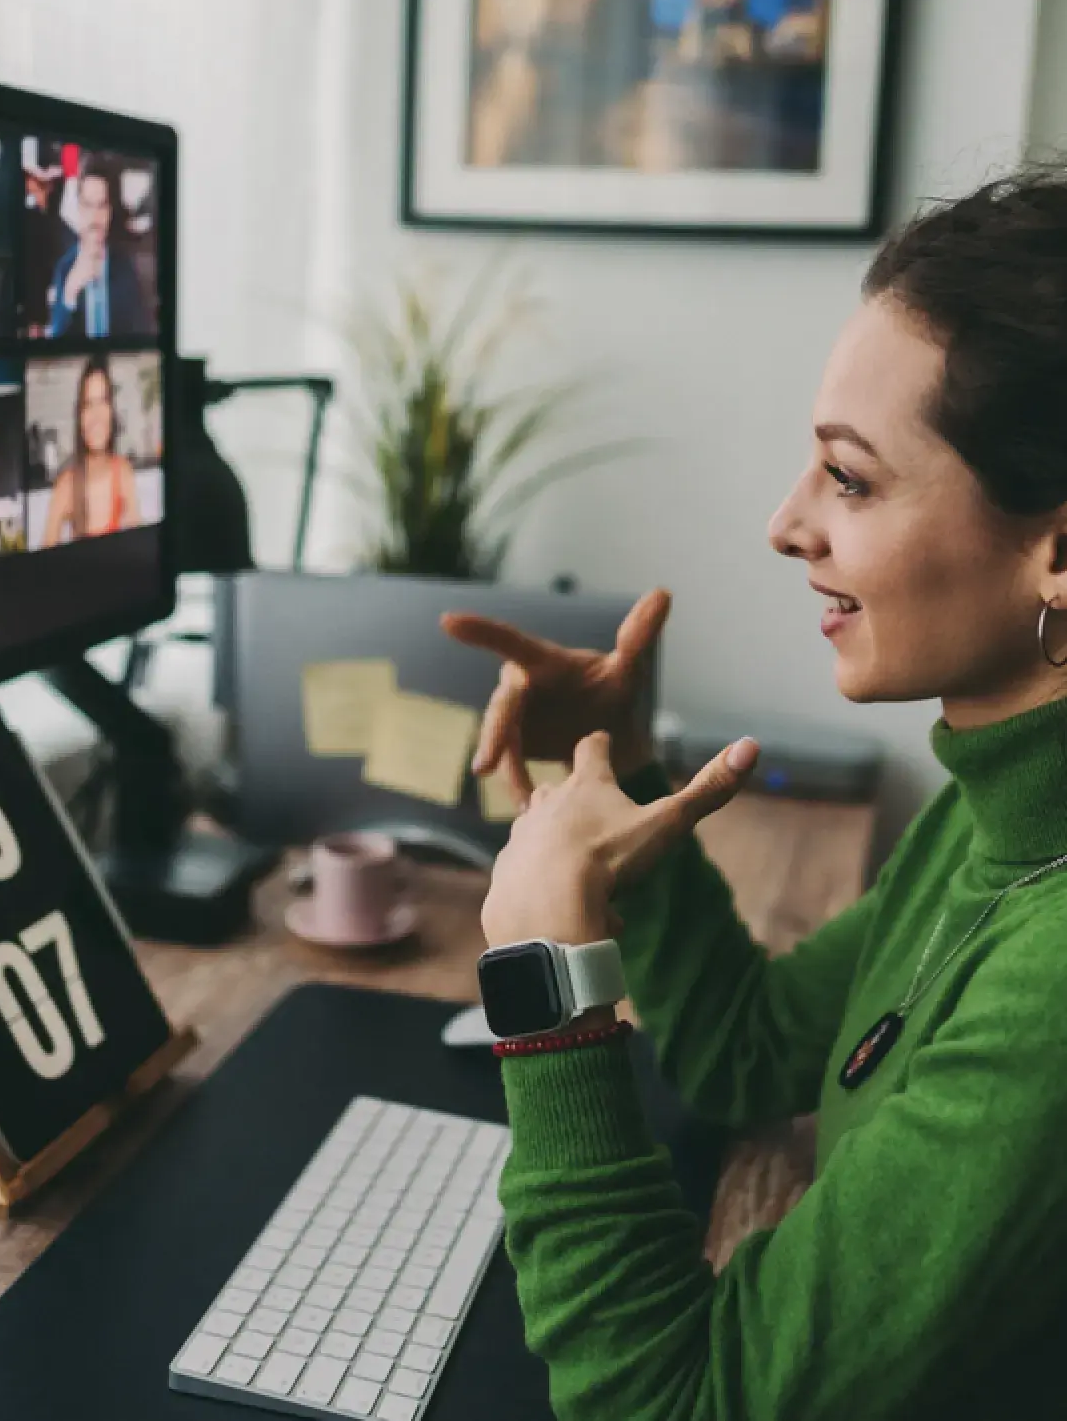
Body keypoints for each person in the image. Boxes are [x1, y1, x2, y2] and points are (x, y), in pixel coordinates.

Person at [441, 166, 1067, 1418]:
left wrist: (548, 991)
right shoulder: (994, 812)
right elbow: (754, 1052)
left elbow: (674, 1405)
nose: (787, 524)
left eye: (851, 478)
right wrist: (625, 770)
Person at [47, 153, 152, 338]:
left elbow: (140, 335)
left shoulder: (127, 267)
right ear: (78, 208)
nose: (95, 218)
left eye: (101, 206)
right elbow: (55, 340)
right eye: (88, 205)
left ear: (110, 211)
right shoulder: (64, 267)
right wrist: (70, 292)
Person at [41, 356, 140, 545]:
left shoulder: (123, 472)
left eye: (103, 401)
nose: (96, 416)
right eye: (88, 404)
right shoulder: (65, 486)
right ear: (80, 417)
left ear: (112, 410)